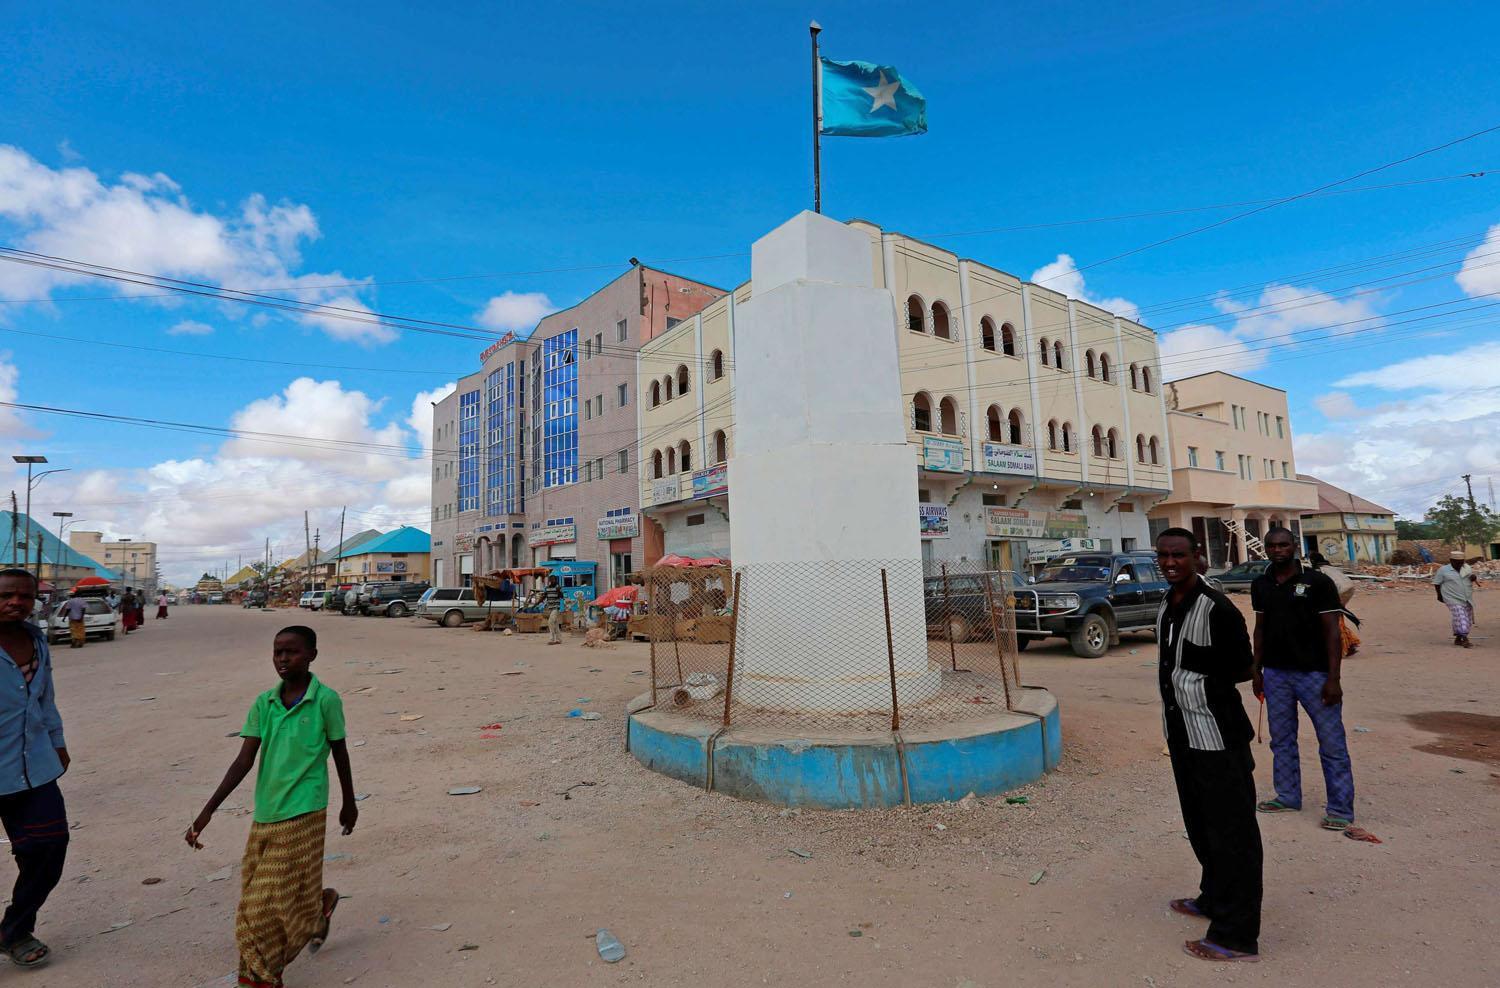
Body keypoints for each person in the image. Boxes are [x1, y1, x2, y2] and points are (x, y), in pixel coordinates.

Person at [186, 625, 357, 987]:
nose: (282, 659)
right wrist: (208, 810)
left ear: (311, 655)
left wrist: (349, 802)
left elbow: (339, 752)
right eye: (277, 652)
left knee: (261, 907)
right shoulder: (264, 703)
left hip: (305, 810)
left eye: (291, 652)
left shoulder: (326, 700)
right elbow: (243, 761)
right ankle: (317, 910)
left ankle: (262, 977)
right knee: (260, 891)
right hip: (266, 812)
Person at [1153, 529, 1262, 963]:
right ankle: (1213, 897)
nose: (1170, 563)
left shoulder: (1216, 608)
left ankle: (1236, 935)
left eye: (1178, 555)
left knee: (1233, 832)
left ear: (1197, 557)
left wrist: (1201, 674)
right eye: (1163, 555)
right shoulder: (1167, 602)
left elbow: (1241, 666)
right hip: (1182, 736)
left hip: (1217, 737)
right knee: (1201, 823)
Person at [1252, 528, 1355, 831]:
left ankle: (1340, 809)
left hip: (1315, 674)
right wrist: (1256, 670)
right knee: (1281, 740)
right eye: (1272, 546)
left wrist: (1334, 678)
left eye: (1283, 545)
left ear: (1294, 547)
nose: (1277, 550)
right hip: (1275, 674)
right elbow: (1260, 629)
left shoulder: (1318, 582)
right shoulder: (1261, 584)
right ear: (1266, 550)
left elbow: (1332, 632)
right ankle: (1287, 796)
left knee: (1331, 743)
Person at [0, 569, 71, 969]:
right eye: (7, 595)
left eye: (24, 597)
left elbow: (45, 700)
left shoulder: (38, 641)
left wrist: (57, 743)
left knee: (48, 850)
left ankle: (14, 930)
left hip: (35, 768)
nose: (16, 603)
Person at [1308, 552, 1360, 655]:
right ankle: (1349, 643)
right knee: (1338, 618)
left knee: (1333, 620)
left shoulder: (1318, 570)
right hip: (1348, 589)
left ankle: (1344, 646)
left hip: (1338, 592)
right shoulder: (1329, 567)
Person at [1433, 550, 1480, 648]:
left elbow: (1470, 577)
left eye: (1461, 562)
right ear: (1451, 560)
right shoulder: (1443, 570)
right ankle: (1465, 639)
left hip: (1467, 597)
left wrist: (1473, 578)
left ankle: (1458, 638)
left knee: (1466, 618)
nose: (1459, 564)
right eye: (1456, 562)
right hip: (1451, 597)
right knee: (1460, 616)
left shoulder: (1466, 568)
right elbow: (1437, 583)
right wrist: (1439, 595)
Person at [542, 575, 563, 645]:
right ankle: (559, 639)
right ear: (550, 581)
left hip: (556, 608)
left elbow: (561, 596)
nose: (553, 581)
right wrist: (536, 603)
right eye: (551, 580)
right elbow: (543, 597)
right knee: (555, 624)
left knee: (550, 622)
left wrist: (558, 591)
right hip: (550, 608)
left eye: (554, 580)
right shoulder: (547, 588)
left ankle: (552, 639)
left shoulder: (558, 587)